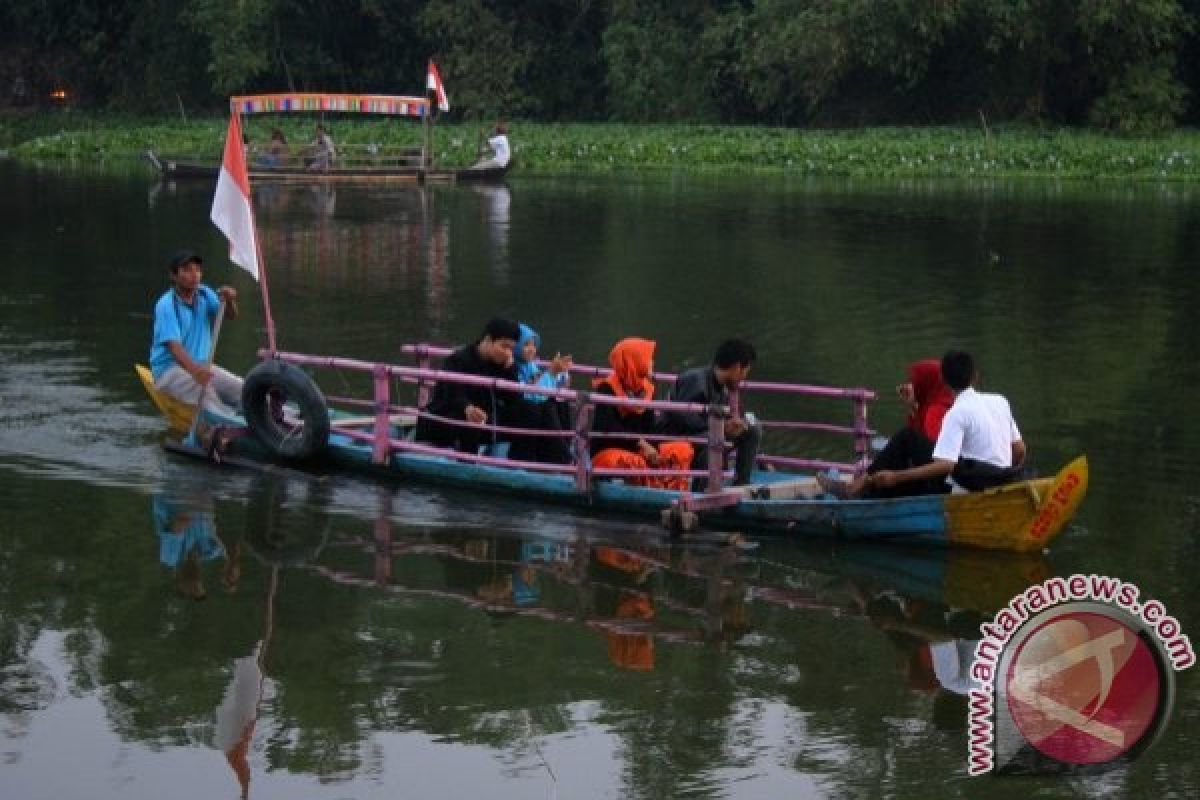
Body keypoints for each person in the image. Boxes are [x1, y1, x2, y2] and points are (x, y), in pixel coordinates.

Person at [865, 350, 1027, 494]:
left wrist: (897, 477)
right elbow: (1020, 450)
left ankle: (861, 488)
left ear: (943, 379)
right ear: (975, 376)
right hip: (1003, 479)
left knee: (905, 440)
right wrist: (999, 475)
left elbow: (946, 465)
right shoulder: (1000, 401)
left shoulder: (956, 412)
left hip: (968, 487)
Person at [819, 358, 954, 498]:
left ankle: (856, 488)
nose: (909, 386)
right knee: (902, 445)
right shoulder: (939, 406)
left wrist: (898, 476)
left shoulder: (937, 411)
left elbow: (924, 446)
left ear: (926, 383)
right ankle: (861, 487)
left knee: (905, 437)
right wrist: (912, 406)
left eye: (914, 382)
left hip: (940, 481)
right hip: (940, 479)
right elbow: (921, 443)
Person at [590, 337, 694, 491]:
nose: (652, 362)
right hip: (608, 450)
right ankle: (651, 496)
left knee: (682, 449)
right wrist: (641, 444)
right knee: (635, 463)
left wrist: (655, 450)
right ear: (634, 361)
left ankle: (675, 490)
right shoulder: (607, 388)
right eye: (648, 359)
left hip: (639, 449)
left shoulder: (647, 389)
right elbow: (607, 428)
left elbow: (650, 428)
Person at [149, 250, 242, 415]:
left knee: (242, 388)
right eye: (187, 270)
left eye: (197, 270)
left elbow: (230, 316)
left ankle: (279, 420)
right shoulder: (166, 305)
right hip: (169, 371)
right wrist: (195, 372)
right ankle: (226, 426)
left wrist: (229, 300)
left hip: (201, 365)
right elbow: (174, 346)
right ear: (174, 275)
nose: (194, 275)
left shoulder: (205, 294)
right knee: (205, 392)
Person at [661, 339, 761, 487]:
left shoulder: (725, 388)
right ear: (737, 367)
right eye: (745, 372)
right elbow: (680, 418)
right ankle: (703, 488)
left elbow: (735, 418)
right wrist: (721, 428)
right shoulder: (695, 380)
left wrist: (736, 426)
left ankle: (742, 483)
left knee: (752, 430)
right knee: (714, 439)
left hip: (707, 437)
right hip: (679, 439)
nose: (743, 378)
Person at [414, 318, 522, 455]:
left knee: (529, 410)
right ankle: (468, 462)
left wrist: (510, 371)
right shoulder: (458, 360)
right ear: (488, 339)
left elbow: (514, 401)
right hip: (446, 422)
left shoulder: (502, 365)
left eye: (511, 349)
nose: (508, 353)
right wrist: (467, 407)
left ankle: (530, 463)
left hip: (483, 424)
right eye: (504, 346)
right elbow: (453, 393)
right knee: (471, 417)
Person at [504, 323, 574, 464]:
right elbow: (532, 394)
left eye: (534, 345)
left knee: (560, 403)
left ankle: (563, 449)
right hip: (520, 415)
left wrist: (560, 373)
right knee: (546, 407)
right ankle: (561, 456)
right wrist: (552, 373)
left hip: (534, 411)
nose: (532, 349)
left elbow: (545, 386)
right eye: (526, 345)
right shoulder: (511, 367)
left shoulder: (530, 365)